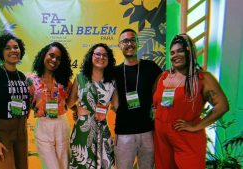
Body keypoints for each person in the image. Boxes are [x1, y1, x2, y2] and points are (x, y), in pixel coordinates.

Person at [153, 33, 229, 169]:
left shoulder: (202, 78)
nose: (176, 55)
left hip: (186, 137)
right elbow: (156, 105)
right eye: (172, 52)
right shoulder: (163, 77)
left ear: (190, 52)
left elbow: (222, 106)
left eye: (180, 51)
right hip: (162, 138)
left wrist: (196, 126)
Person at [113, 28, 162, 169]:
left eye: (132, 40)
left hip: (148, 131)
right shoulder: (115, 72)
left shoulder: (150, 67)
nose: (129, 44)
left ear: (138, 42)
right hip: (123, 133)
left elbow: (164, 86)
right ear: (120, 45)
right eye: (125, 41)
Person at [0, 33, 29, 169]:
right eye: (7, 48)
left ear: (20, 51)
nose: (13, 50)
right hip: (2, 131)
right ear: (1, 52)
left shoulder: (22, 76)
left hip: (21, 130)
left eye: (16, 47)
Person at [67, 43, 116, 169]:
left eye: (105, 55)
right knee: (83, 164)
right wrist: (78, 110)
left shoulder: (112, 81)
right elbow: (70, 103)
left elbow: (116, 106)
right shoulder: (80, 78)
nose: (101, 57)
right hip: (83, 130)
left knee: (105, 164)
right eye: (98, 54)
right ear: (91, 57)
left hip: (102, 128)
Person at [27, 42, 73, 169]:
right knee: (52, 166)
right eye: (51, 55)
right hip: (43, 127)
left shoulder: (65, 82)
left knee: (64, 165)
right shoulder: (31, 80)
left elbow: (70, 103)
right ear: (43, 56)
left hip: (61, 126)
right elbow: (27, 105)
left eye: (58, 58)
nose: (54, 60)